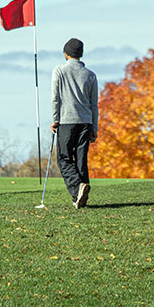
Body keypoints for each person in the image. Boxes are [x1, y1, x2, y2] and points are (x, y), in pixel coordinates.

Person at [50, 38, 98, 209]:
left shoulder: (59, 71)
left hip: (66, 121)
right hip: (86, 122)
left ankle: (77, 189)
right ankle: (80, 198)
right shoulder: (90, 75)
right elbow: (94, 105)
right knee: (80, 159)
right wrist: (94, 127)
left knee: (63, 158)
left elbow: (56, 98)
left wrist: (55, 119)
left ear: (66, 53)